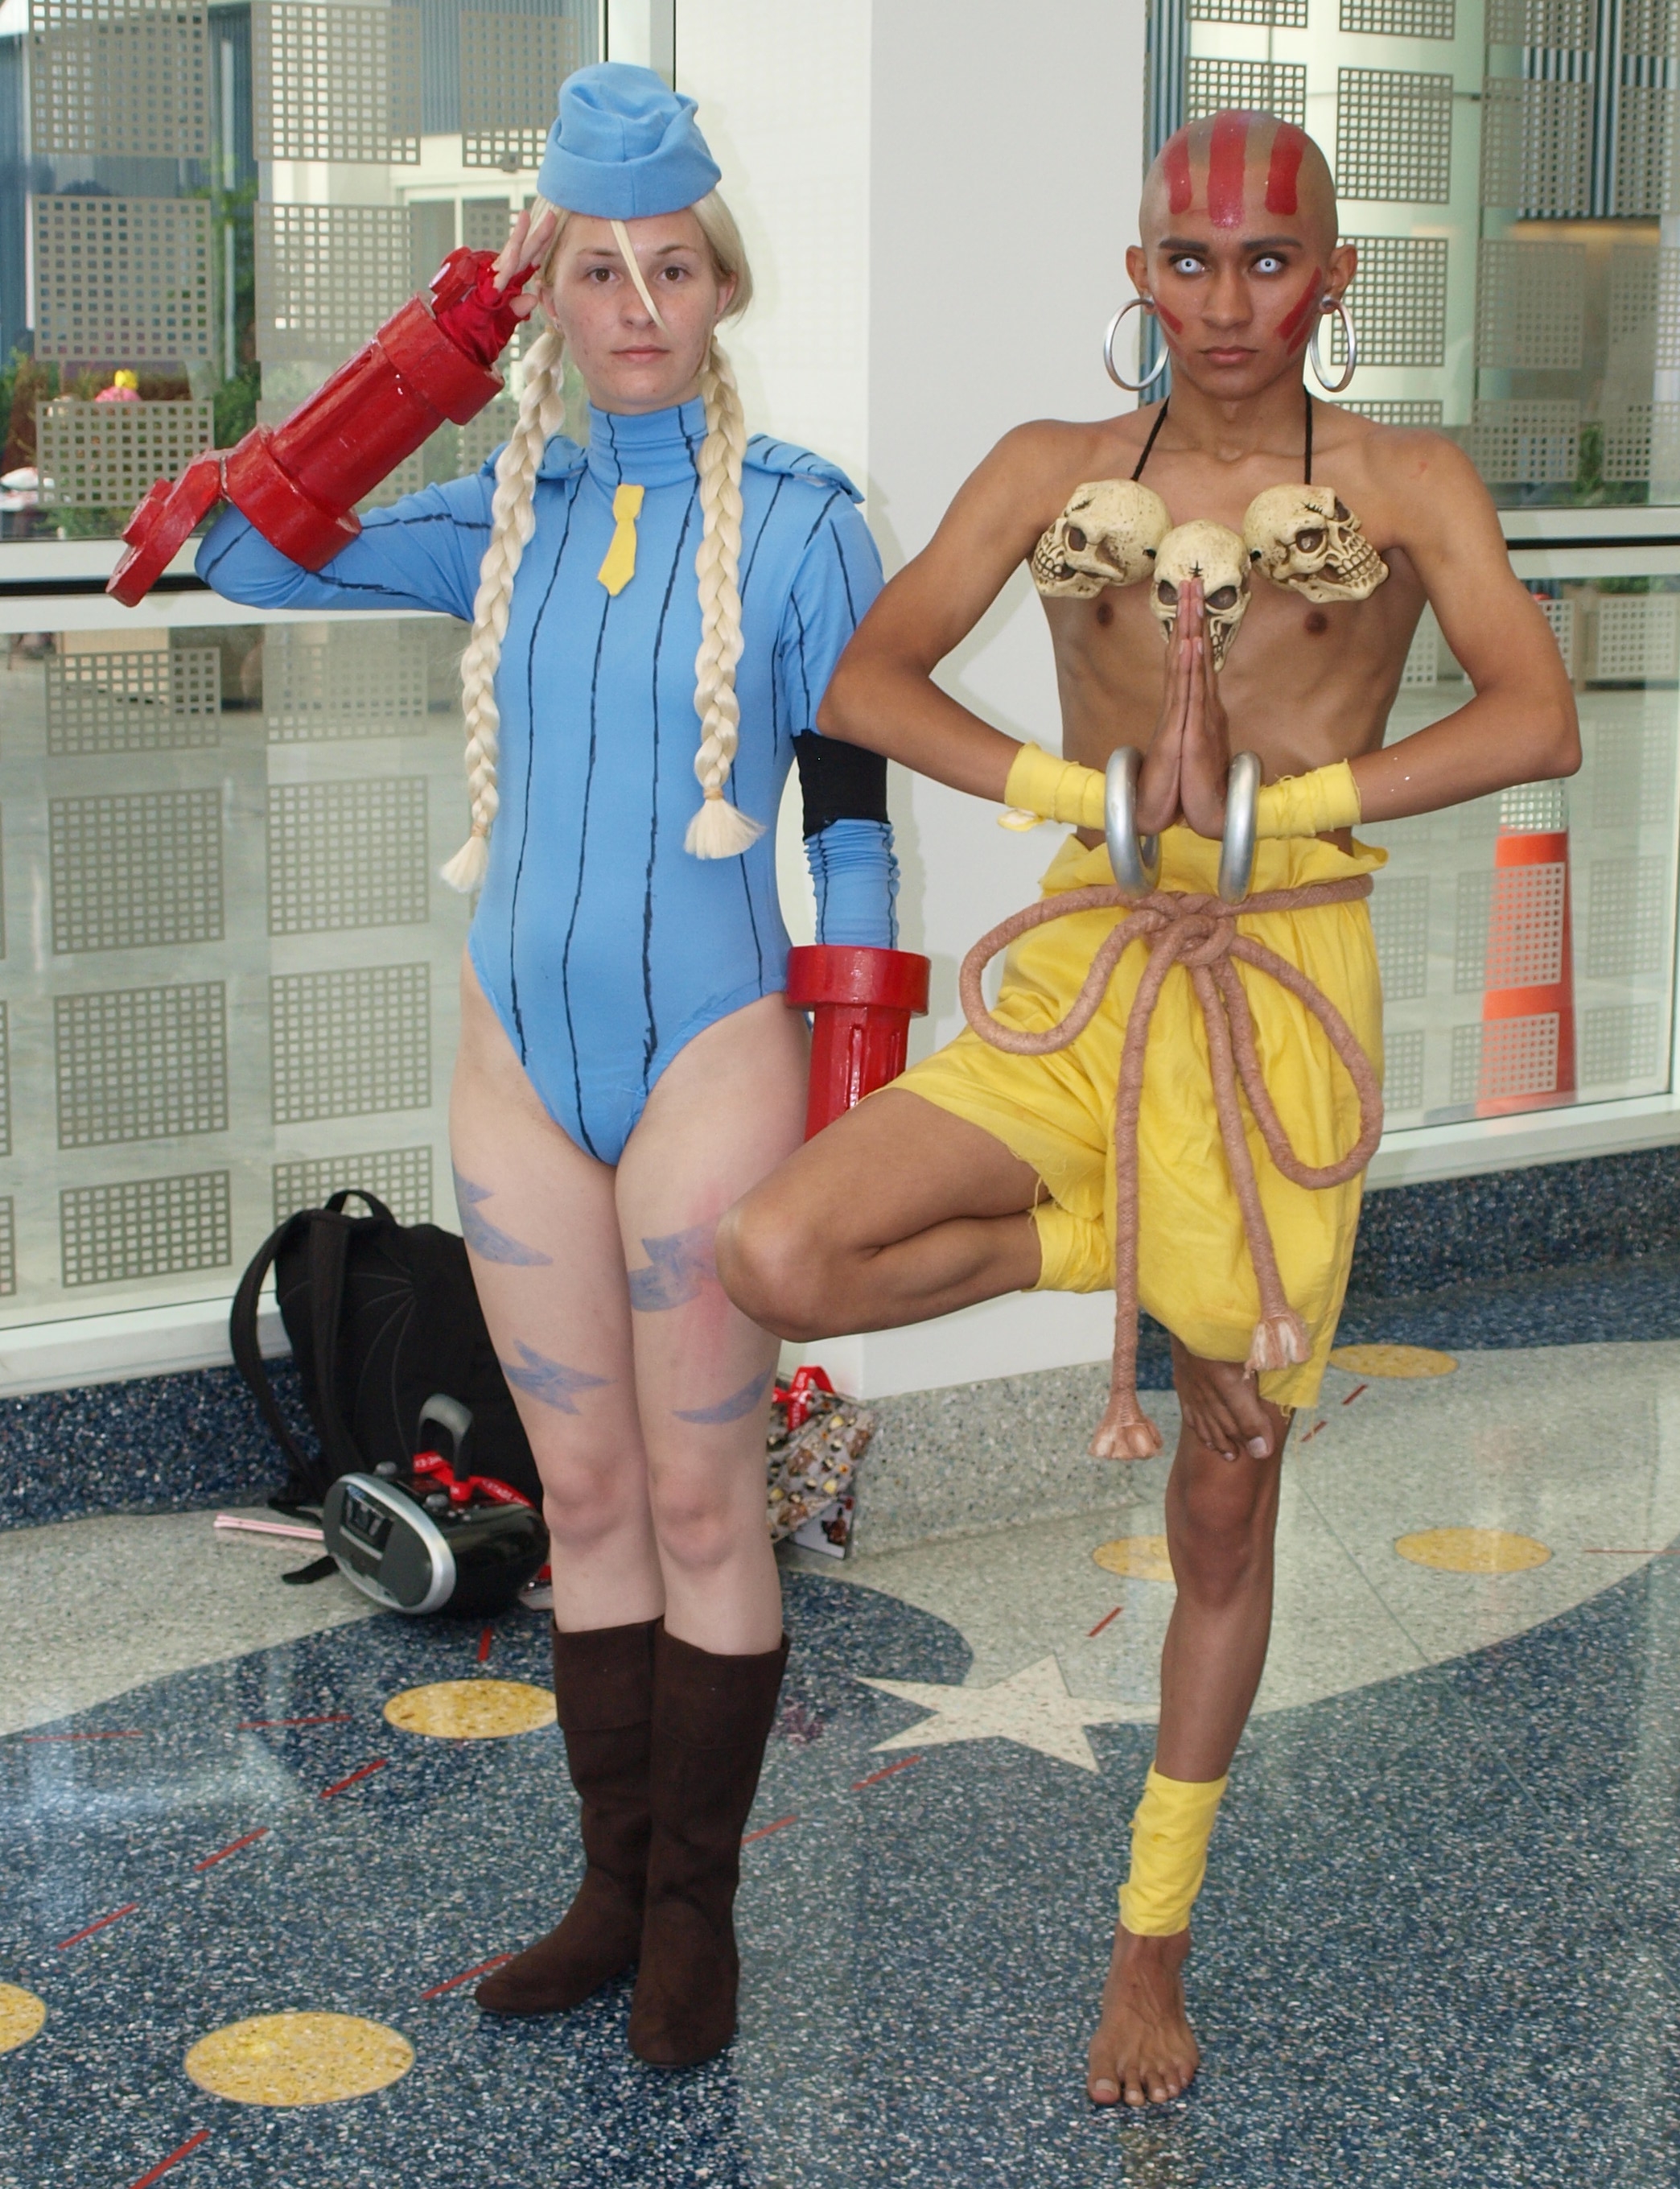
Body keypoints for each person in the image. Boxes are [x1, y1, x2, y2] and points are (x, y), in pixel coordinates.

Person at [717, 109, 1580, 2106]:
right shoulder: (1054, 468)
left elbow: (1536, 713)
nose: (1227, 300)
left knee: (1222, 1494)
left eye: (1270, 261)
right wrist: (1079, 795)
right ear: (1137, 274)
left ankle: (1150, 1940)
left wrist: (1295, 805)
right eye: (1188, 260)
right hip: (1092, 961)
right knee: (783, 1247)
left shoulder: (1407, 482)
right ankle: (1119, 1245)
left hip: (1281, 990)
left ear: (1336, 279)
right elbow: (867, 680)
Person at [198, 64, 896, 2067]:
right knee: (581, 1489)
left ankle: (696, 1919)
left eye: (673, 266)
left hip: (715, 1061)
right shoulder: (502, 514)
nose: (637, 307)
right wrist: (439, 346)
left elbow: (852, 825)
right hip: (516, 1066)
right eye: (593, 271)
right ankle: (607, 1892)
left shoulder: (806, 524)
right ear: (548, 295)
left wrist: (858, 1118)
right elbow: (248, 551)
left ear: (725, 282)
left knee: (701, 1499)